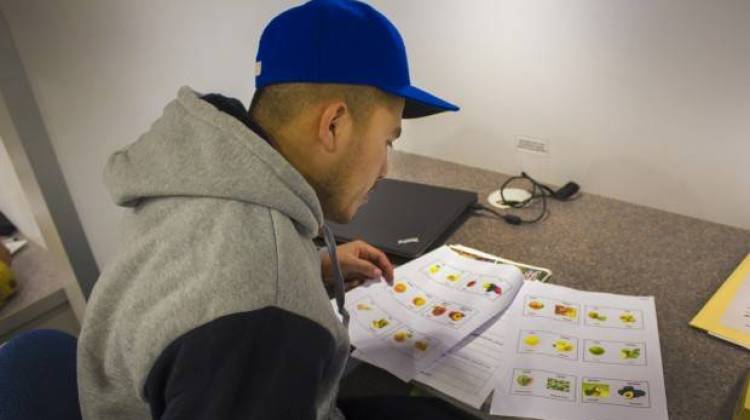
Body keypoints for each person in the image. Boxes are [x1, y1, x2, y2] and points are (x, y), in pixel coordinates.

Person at [78, 1, 471, 419]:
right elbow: (248, 299)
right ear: (333, 124)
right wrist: (284, 284)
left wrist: (312, 266)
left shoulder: (196, 176)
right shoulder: (265, 315)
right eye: (388, 141)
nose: (385, 169)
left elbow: (197, 282)